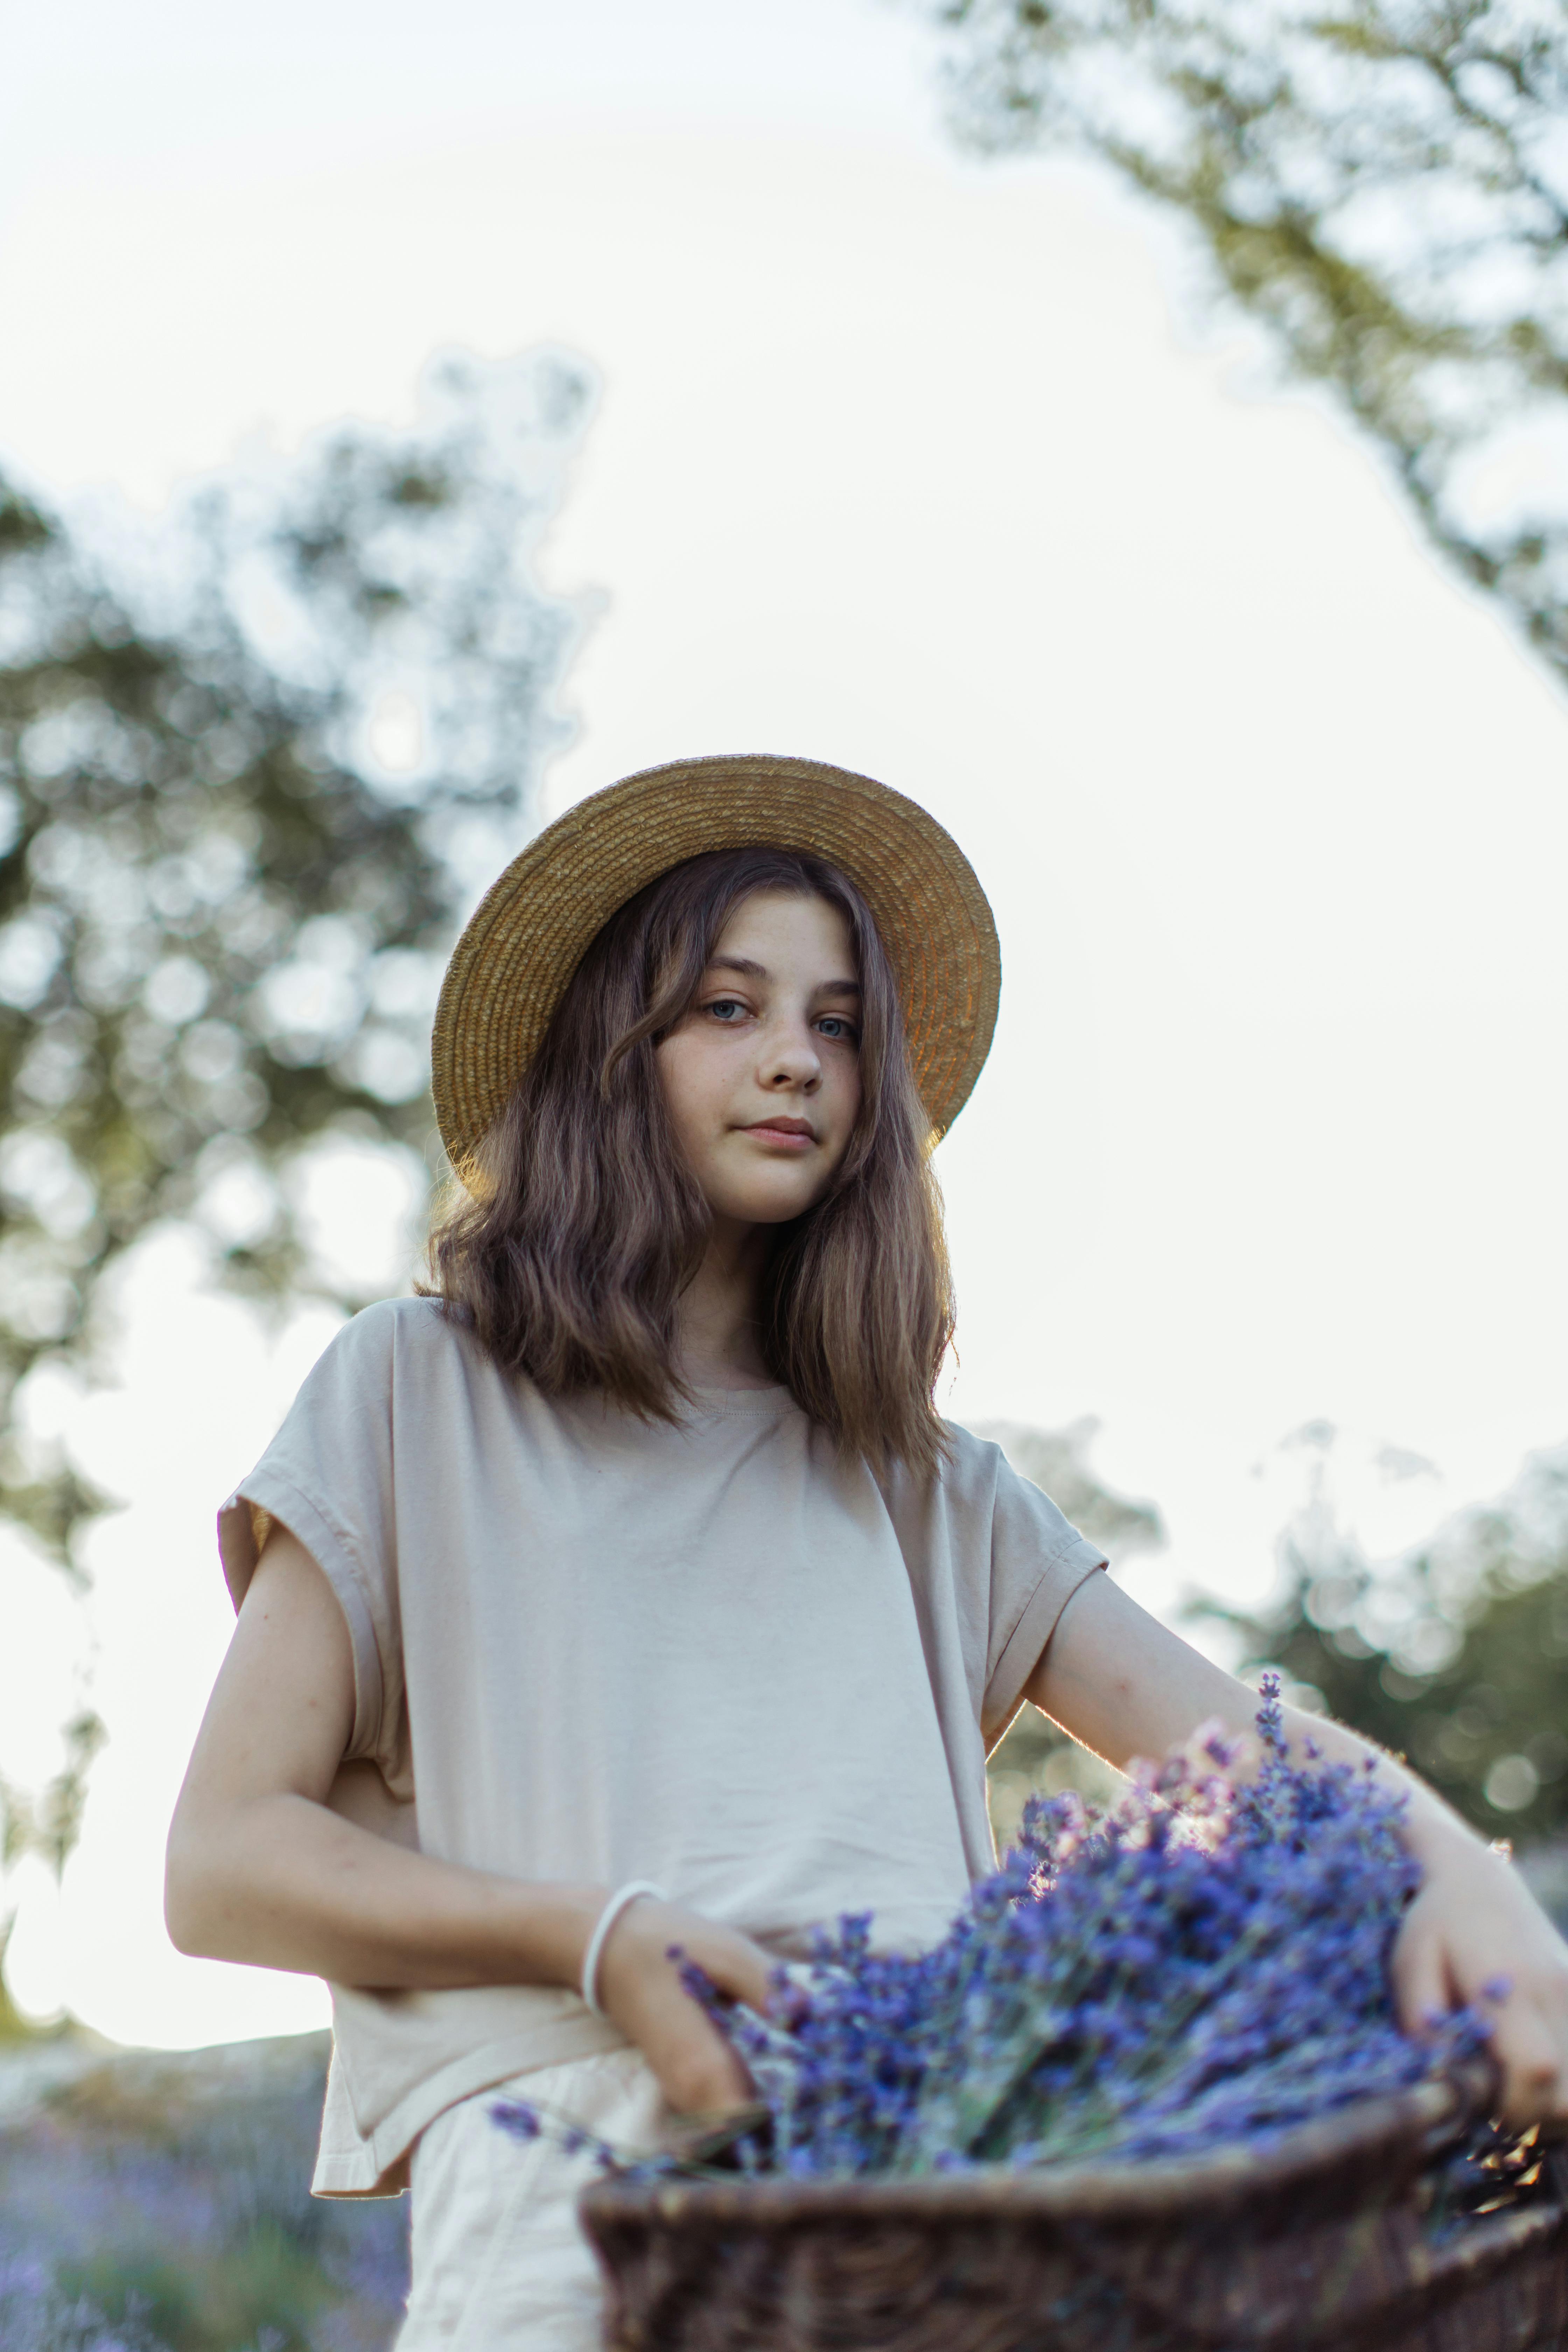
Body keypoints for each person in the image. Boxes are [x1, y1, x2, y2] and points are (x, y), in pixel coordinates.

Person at [166, 754, 1568, 2350]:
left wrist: (1471, 1882)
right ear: (606, 1054)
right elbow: (223, 1863)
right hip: (574, 2221)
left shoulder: (928, 1488)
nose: (796, 1064)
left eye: (838, 1026)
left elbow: (1233, 1750)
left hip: (940, 2217)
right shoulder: (415, 1394)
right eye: (728, 1009)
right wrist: (596, 1938)